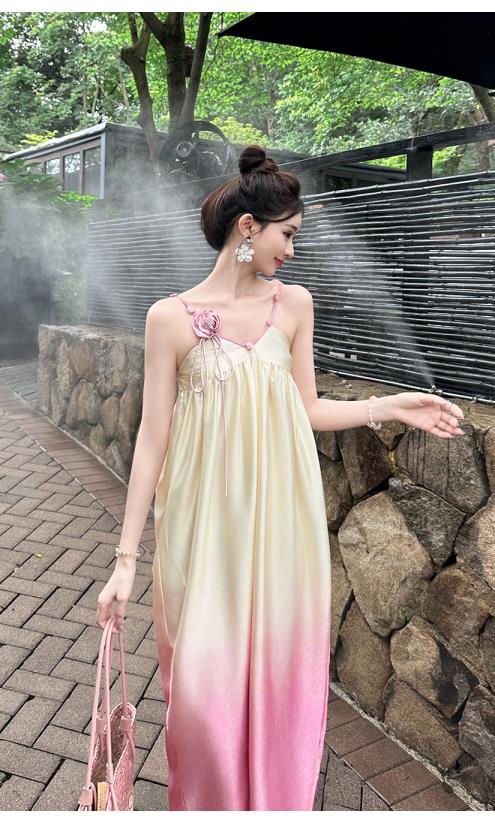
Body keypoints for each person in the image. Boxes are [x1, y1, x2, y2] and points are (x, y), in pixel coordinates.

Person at [94, 144, 466, 811]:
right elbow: (152, 438)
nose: (292, 250)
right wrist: (126, 559)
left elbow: (308, 408)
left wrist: (390, 405)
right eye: (287, 234)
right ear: (248, 228)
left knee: (275, 690)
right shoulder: (169, 318)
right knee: (201, 706)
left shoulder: (293, 306)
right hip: (201, 539)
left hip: (279, 534)